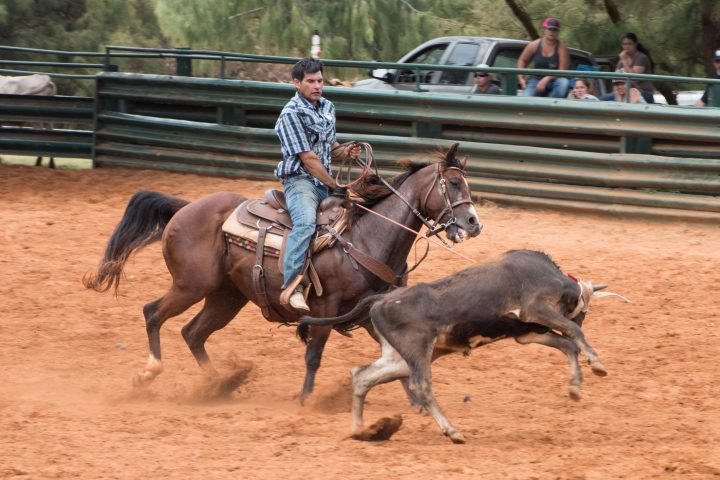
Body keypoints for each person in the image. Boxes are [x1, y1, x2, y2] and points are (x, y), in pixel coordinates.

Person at [274, 57, 359, 312]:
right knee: (305, 224)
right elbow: (308, 159)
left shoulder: (327, 107)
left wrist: (345, 152)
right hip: (300, 181)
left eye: (319, 81)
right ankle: (292, 285)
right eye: (310, 81)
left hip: (323, 181)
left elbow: (329, 148)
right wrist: (334, 184)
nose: (317, 86)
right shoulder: (290, 114)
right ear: (296, 84)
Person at [517, 17, 570, 98]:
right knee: (525, 98)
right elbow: (522, 60)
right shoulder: (534, 45)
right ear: (544, 29)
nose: (552, 32)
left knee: (564, 82)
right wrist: (521, 79)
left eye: (555, 30)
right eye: (550, 29)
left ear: (558, 32)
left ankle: (551, 105)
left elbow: (563, 72)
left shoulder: (562, 48)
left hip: (555, 80)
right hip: (536, 79)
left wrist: (547, 78)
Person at [615, 33, 654, 103]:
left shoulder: (641, 58)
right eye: (624, 44)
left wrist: (624, 61)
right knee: (601, 99)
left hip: (643, 94)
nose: (627, 47)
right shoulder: (620, 61)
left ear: (635, 44)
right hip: (625, 94)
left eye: (629, 44)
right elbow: (616, 81)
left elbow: (634, 79)